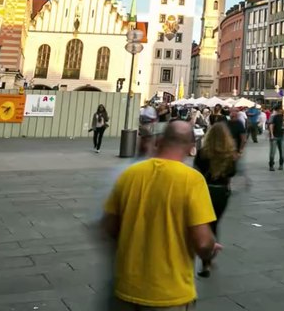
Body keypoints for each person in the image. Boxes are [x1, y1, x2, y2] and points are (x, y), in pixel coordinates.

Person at [102, 121, 220, 310]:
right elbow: (202, 242)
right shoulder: (192, 180)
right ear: (191, 147)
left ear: (161, 141)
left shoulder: (129, 174)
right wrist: (210, 249)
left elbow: (109, 227)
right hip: (170, 293)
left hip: (126, 287)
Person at [193, 123, 237, 277]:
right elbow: (232, 174)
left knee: (206, 223)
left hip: (206, 190)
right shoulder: (231, 154)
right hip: (222, 192)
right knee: (215, 223)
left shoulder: (203, 153)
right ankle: (210, 255)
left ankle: (205, 262)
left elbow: (196, 171)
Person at [267, 104, 284, 171]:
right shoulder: (273, 116)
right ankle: (271, 165)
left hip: (281, 135)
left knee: (282, 152)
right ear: (278, 110)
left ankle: (281, 165)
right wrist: (271, 135)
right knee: (273, 152)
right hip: (274, 136)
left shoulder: (282, 116)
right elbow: (271, 125)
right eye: (281, 109)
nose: (282, 110)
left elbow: (283, 124)